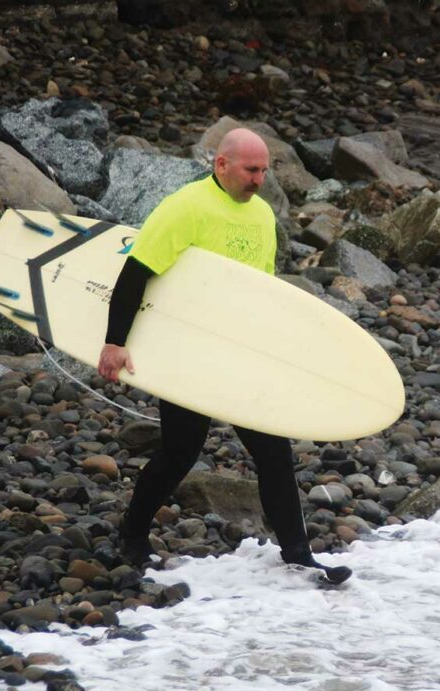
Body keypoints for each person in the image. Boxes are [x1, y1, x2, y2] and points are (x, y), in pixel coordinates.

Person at [97, 128, 351, 585]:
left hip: (238, 354)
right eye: (251, 170)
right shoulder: (186, 207)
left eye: (264, 171)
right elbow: (136, 273)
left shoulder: (261, 216)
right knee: (180, 453)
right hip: (189, 353)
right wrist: (116, 342)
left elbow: (259, 293)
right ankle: (132, 535)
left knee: (273, 450)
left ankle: (298, 554)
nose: (259, 179)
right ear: (222, 165)